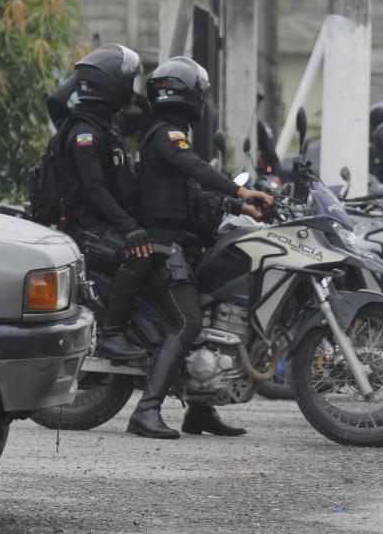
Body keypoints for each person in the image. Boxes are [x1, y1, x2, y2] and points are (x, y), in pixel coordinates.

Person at [126, 56, 274, 439]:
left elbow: (192, 192)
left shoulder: (170, 133)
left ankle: (200, 411)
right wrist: (239, 189)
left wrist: (240, 206)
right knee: (189, 321)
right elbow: (195, 168)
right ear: (188, 94)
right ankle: (146, 411)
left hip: (179, 244)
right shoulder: (167, 135)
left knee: (213, 314)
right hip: (161, 247)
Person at [53, 44, 153, 361]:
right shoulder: (84, 133)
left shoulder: (111, 122)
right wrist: (131, 228)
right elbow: (95, 189)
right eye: (127, 82)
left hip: (110, 220)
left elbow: (150, 117)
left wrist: (127, 93)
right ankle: (111, 333)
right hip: (88, 227)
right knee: (138, 256)